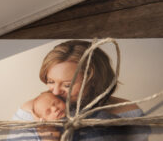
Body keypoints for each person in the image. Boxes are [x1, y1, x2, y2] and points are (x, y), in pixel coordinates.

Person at [8, 40, 150, 141]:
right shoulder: (34, 112)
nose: (56, 92)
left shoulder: (128, 112)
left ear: (94, 82)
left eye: (67, 85)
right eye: (50, 81)